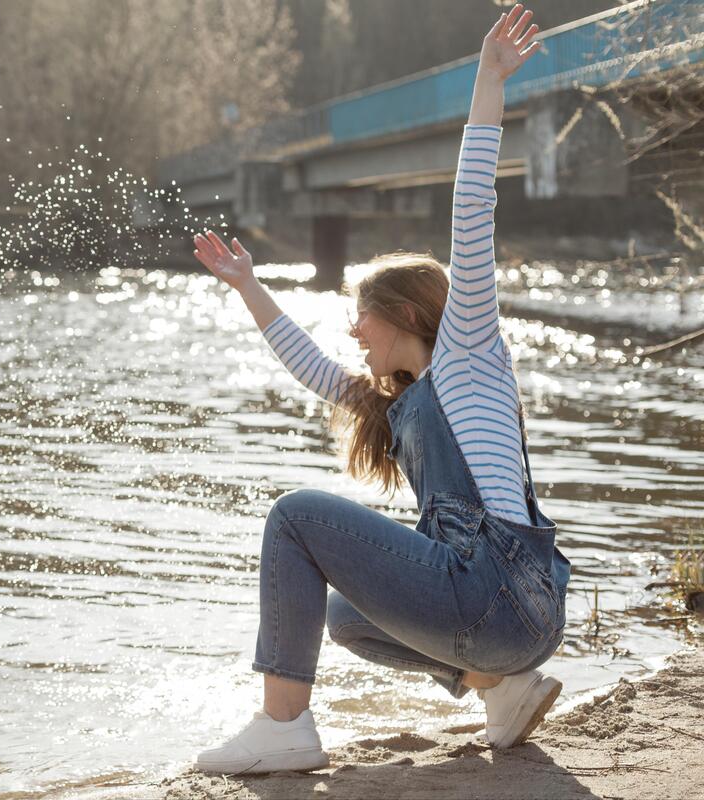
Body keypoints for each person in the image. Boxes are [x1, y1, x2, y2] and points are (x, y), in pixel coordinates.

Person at [188, 3, 572, 776]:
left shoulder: (465, 350)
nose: (353, 334)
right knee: (342, 618)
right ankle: (500, 688)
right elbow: (314, 368)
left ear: (400, 315)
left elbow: (472, 210)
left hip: (493, 591)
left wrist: (487, 82)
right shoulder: (407, 401)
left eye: (361, 317)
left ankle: (283, 726)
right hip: (526, 616)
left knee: (294, 518)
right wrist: (248, 287)